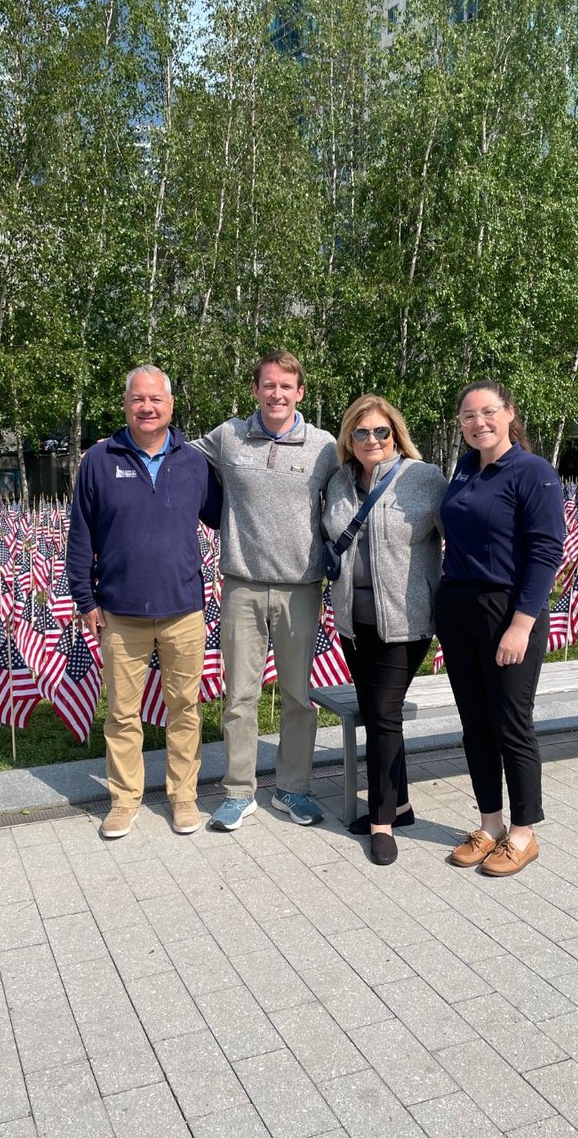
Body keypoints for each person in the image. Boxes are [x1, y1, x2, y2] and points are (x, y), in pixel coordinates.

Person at [67, 366, 221, 840]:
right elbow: (80, 534)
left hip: (184, 611)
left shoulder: (194, 462)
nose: (148, 407)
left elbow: (227, 517)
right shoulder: (98, 459)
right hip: (120, 613)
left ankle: (183, 797)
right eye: (139, 399)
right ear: (126, 404)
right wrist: (84, 599)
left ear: (171, 405)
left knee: (185, 709)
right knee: (122, 714)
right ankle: (124, 799)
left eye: (156, 399)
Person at [194, 351, 337, 830]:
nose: (277, 394)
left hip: (301, 588)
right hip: (242, 586)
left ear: (300, 393)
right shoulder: (227, 436)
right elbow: (172, 454)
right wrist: (113, 449)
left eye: (286, 387)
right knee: (240, 695)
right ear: (255, 390)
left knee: (298, 695)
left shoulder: (324, 446)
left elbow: (357, 488)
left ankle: (293, 790)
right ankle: (237, 792)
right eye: (268, 385)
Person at [436, 380, 564, 877]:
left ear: (509, 413)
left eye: (488, 412)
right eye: (468, 416)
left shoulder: (534, 472)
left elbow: (545, 553)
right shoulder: (465, 468)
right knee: (475, 724)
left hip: (508, 611)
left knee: (511, 724)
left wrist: (521, 625)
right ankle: (489, 824)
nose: (478, 423)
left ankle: (523, 832)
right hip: (459, 608)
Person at [323, 395, 445, 865]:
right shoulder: (338, 483)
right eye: (361, 432)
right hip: (355, 624)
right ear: (348, 439)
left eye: (381, 431)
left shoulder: (425, 479)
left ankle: (380, 822)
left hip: (407, 623)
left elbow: (461, 533)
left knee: (381, 715)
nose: (372, 440)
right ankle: (402, 804)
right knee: (381, 714)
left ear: (395, 434)